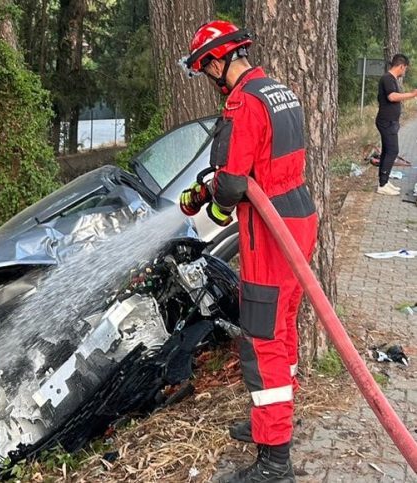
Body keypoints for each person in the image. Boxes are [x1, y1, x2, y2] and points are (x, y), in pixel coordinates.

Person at [178, 20, 318, 483]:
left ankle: (275, 462)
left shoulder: (242, 104)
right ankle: (272, 422)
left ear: (218, 62)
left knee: (262, 340)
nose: (209, 81)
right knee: (284, 327)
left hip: (270, 232)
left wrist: (209, 203)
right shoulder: (280, 90)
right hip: (299, 217)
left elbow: (233, 184)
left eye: (206, 71)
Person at [375, 53, 417, 195]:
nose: (404, 72)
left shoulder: (391, 79)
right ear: (401, 66)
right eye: (405, 69)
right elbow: (392, 97)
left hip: (390, 122)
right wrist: (412, 94)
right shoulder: (387, 78)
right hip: (386, 122)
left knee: (387, 151)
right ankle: (382, 185)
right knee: (393, 151)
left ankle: (384, 181)